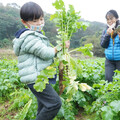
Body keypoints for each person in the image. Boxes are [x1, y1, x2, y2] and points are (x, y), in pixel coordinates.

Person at [13, 2, 70, 120]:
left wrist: (60, 49)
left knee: (44, 105)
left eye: (41, 19)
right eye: (34, 21)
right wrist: (59, 47)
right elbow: (46, 53)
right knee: (54, 103)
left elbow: (46, 53)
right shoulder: (29, 37)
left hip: (39, 76)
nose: (39, 23)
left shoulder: (35, 35)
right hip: (36, 77)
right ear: (24, 22)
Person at [101, 9, 120, 82]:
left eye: (111, 18)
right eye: (107, 19)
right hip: (109, 60)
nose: (109, 21)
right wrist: (107, 35)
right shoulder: (106, 30)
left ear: (116, 18)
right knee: (108, 80)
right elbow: (103, 45)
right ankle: (108, 93)